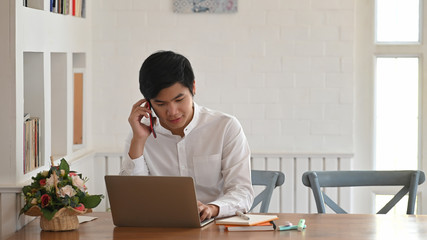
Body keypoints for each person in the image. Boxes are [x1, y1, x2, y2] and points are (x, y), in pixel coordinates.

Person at [120, 50, 254, 221]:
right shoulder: (139, 134)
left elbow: (242, 192)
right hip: (161, 228)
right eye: (160, 104)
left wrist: (212, 208)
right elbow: (133, 199)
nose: (172, 112)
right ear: (148, 103)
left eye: (179, 99)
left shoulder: (225, 127)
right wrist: (138, 141)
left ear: (193, 87)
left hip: (214, 226)